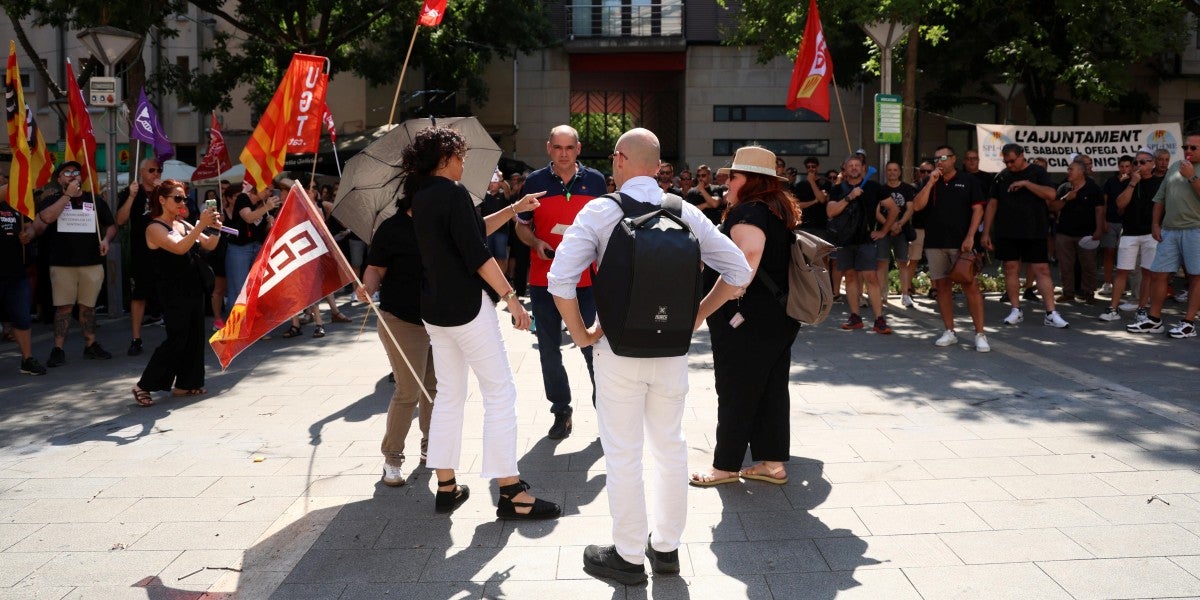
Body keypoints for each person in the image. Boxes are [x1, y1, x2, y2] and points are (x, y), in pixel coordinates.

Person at [549, 128, 750, 585]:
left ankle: (627, 555)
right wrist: (697, 315)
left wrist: (583, 336)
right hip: (671, 352)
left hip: (618, 351)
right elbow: (739, 271)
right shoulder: (686, 212)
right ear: (658, 167)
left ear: (619, 159)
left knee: (623, 454)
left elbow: (560, 280)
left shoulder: (601, 211)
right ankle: (666, 549)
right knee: (670, 448)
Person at [407, 126, 559, 520]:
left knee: (449, 395)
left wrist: (513, 208)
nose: (463, 163)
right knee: (499, 393)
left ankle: (446, 485)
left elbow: (469, 234)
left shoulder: (420, 196)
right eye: (460, 156)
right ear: (445, 158)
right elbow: (477, 254)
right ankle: (510, 490)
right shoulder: (453, 193)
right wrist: (512, 299)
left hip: (435, 309)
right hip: (466, 307)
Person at [359, 160, 541, 487]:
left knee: (438, 391)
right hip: (403, 320)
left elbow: (476, 230)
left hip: (436, 317)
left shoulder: (439, 221)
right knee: (409, 390)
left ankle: (433, 453)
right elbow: (375, 269)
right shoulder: (393, 228)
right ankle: (393, 457)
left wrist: (515, 207)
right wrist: (367, 288)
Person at [689, 146, 802, 487]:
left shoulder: (749, 213)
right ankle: (772, 464)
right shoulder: (775, 209)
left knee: (735, 389)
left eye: (733, 176)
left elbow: (744, 268)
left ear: (752, 180)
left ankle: (725, 467)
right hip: (777, 317)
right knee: (771, 389)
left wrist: (701, 311)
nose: (726, 181)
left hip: (748, 321)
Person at [516, 125, 606, 440]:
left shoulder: (596, 181)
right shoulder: (534, 182)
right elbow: (521, 226)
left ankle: (606, 412)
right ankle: (561, 411)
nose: (564, 153)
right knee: (549, 349)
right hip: (545, 279)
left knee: (593, 347)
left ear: (578, 149)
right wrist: (535, 242)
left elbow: (607, 226)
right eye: (558, 147)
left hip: (587, 280)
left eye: (569, 147)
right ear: (549, 148)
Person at [130, 180, 221, 406]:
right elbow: (180, 248)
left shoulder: (183, 224)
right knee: (177, 338)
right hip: (172, 290)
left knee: (195, 337)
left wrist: (215, 228)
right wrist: (200, 225)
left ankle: (186, 384)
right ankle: (144, 385)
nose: (182, 202)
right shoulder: (154, 227)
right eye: (177, 198)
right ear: (162, 200)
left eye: (184, 198)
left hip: (193, 286)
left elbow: (209, 245)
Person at [37, 161, 117, 366]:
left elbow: (111, 225)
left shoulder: (94, 200)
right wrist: (67, 196)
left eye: (76, 172)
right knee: (63, 308)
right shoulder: (52, 200)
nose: (73, 175)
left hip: (91, 263)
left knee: (88, 308)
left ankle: (91, 344)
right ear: (59, 179)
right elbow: (46, 218)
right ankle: (58, 349)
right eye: (67, 173)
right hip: (62, 264)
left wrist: (106, 240)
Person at [982, 143, 1070, 328]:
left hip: (1034, 229)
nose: (1009, 165)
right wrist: (986, 232)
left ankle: (1051, 313)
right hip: (1007, 230)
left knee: (1042, 269)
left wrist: (1026, 184)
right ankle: (1015, 310)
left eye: (1012, 161)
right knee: (1010, 268)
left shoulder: (1037, 172)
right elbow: (992, 204)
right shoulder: (1001, 176)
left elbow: (1051, 194)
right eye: (1006, 162)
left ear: (1022, 155)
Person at [912, 146, 990, 351]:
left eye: (944, 157)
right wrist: (930, 182)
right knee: (942, 287)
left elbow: (978, 210)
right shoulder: (929, 181)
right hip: (935, 243)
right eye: (936, 158)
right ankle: (949, 331)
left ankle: (980, 334)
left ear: (954, 159)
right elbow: (917, 206)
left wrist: (971, 236)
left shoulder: (968, 180)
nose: (939, 161)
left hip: (962, 244)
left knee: (970, 286)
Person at [1133, 134, 1200, 337]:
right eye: (1185, 147)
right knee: (1158, 274)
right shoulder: (1175, 167)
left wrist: (1192, 177)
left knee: (1196, 276)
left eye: (1193, 148)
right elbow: (1159, 199)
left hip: (1195, 229)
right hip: (1169, 230)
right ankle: (1154, 320)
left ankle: (1189, 323)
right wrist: (1155, 224)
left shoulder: (1189, 170)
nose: (1188, 151)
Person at [827, 155, 898, 334]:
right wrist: (849, 197)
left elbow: (894, 209)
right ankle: (855, 317)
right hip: (844, 240)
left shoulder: (874, 187)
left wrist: (883, 231)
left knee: (871, 277)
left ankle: (879, 320)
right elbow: (831, 212)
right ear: (845, 169)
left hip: (866, 240)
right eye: (850, 165)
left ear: (863, 168)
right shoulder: (838, 189)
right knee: (850, 277)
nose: (854, 168)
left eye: (857, 165)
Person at [1102, 150, 1162, 324]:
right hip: (1129, 232)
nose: (1138, 165)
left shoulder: (1159, 183)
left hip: (1150, 234)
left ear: (1152, 164)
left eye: (1143, 162)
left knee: (1147, 273)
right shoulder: (1127, 181)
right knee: (1122, 270)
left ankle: (1141, 309)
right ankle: (1113, 309)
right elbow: (1120, 204)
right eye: (1136, 162)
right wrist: (1133, 183)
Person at [116, 159, 165, 356]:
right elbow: (120, 220)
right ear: (142, 172)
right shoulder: (131, 192)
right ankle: (136, 339)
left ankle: (176, 336)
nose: (156, 173)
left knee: (169, 292)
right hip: (141, 251)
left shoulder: (165, 191)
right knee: (139, 295)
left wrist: (164, 193)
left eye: (159, 170)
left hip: (165, 249)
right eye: (152, 170)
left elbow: (179, 215)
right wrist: (131, 196)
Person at [0, 184, 47, 374]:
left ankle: (27, 360)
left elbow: (30, 227)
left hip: (16, 273)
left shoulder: (16, 205)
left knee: (22, 317)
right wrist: (17, 180)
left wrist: (28, 234)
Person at [1052, 159, 1104, 304]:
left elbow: (1099, 210)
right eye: (1068, 169)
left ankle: (1089, 293)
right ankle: (1068, 292)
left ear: (1081, 172)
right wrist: (1066, 199)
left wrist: (1099, 229)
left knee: (1088, 265)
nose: (1068, 172)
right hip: (1064, 233)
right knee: (1065, 265)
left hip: (1086, 234)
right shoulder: (1064, 187)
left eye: (1071, 169)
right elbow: (1053, 207)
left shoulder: (1093, 188)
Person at [224, 185, 279, 316]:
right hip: (240, 248)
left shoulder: (266, 203)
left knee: (257, 287)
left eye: (271, 191)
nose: (268, 193)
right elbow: (248, 217)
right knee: (240, 289)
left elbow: (263, 228)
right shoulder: (243, 198)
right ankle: (237, 323)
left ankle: (252, 322)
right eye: (266, 189)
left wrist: (270, 223)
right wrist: (267, 208)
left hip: (258, 246)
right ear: (257, 186)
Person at [878, 161, 916, 307]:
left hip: (902, 231)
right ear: (886, 172)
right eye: (889, 170)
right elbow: (877, 212)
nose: (892, 172)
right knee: (882, 262)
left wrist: (899, 224)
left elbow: (910, 209)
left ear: (899, 172)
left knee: (903, 263)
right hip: (884, 231)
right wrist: (889, 226)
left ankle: (905, 295)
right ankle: (882, 294)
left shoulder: (907, 188)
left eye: (895, 170)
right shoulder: (881, 189)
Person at [1099, 155, 1134, 296]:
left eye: (1127, 166)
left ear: (1132, 167)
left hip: (1128, 223)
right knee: (1109, 252)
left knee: (1126, 255)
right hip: (1111, 221)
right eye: (1122, 166)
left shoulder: (1135, 181)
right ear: (1118, 167)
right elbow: (1104, 202)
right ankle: (1107, 283)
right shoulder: (1110, 181)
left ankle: (1124, 285)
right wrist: (1103, 221)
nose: (1124, 169)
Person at [208, 185, 237, 330]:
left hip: (237, 253)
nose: (239, 199)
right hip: (221, 253)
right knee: (219, 288)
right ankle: (217, 320)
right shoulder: (219, 214)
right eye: (236, 196)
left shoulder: (243, 212)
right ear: (228, 198)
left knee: (235, 287)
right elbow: (209, 231)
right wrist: (217, 222)